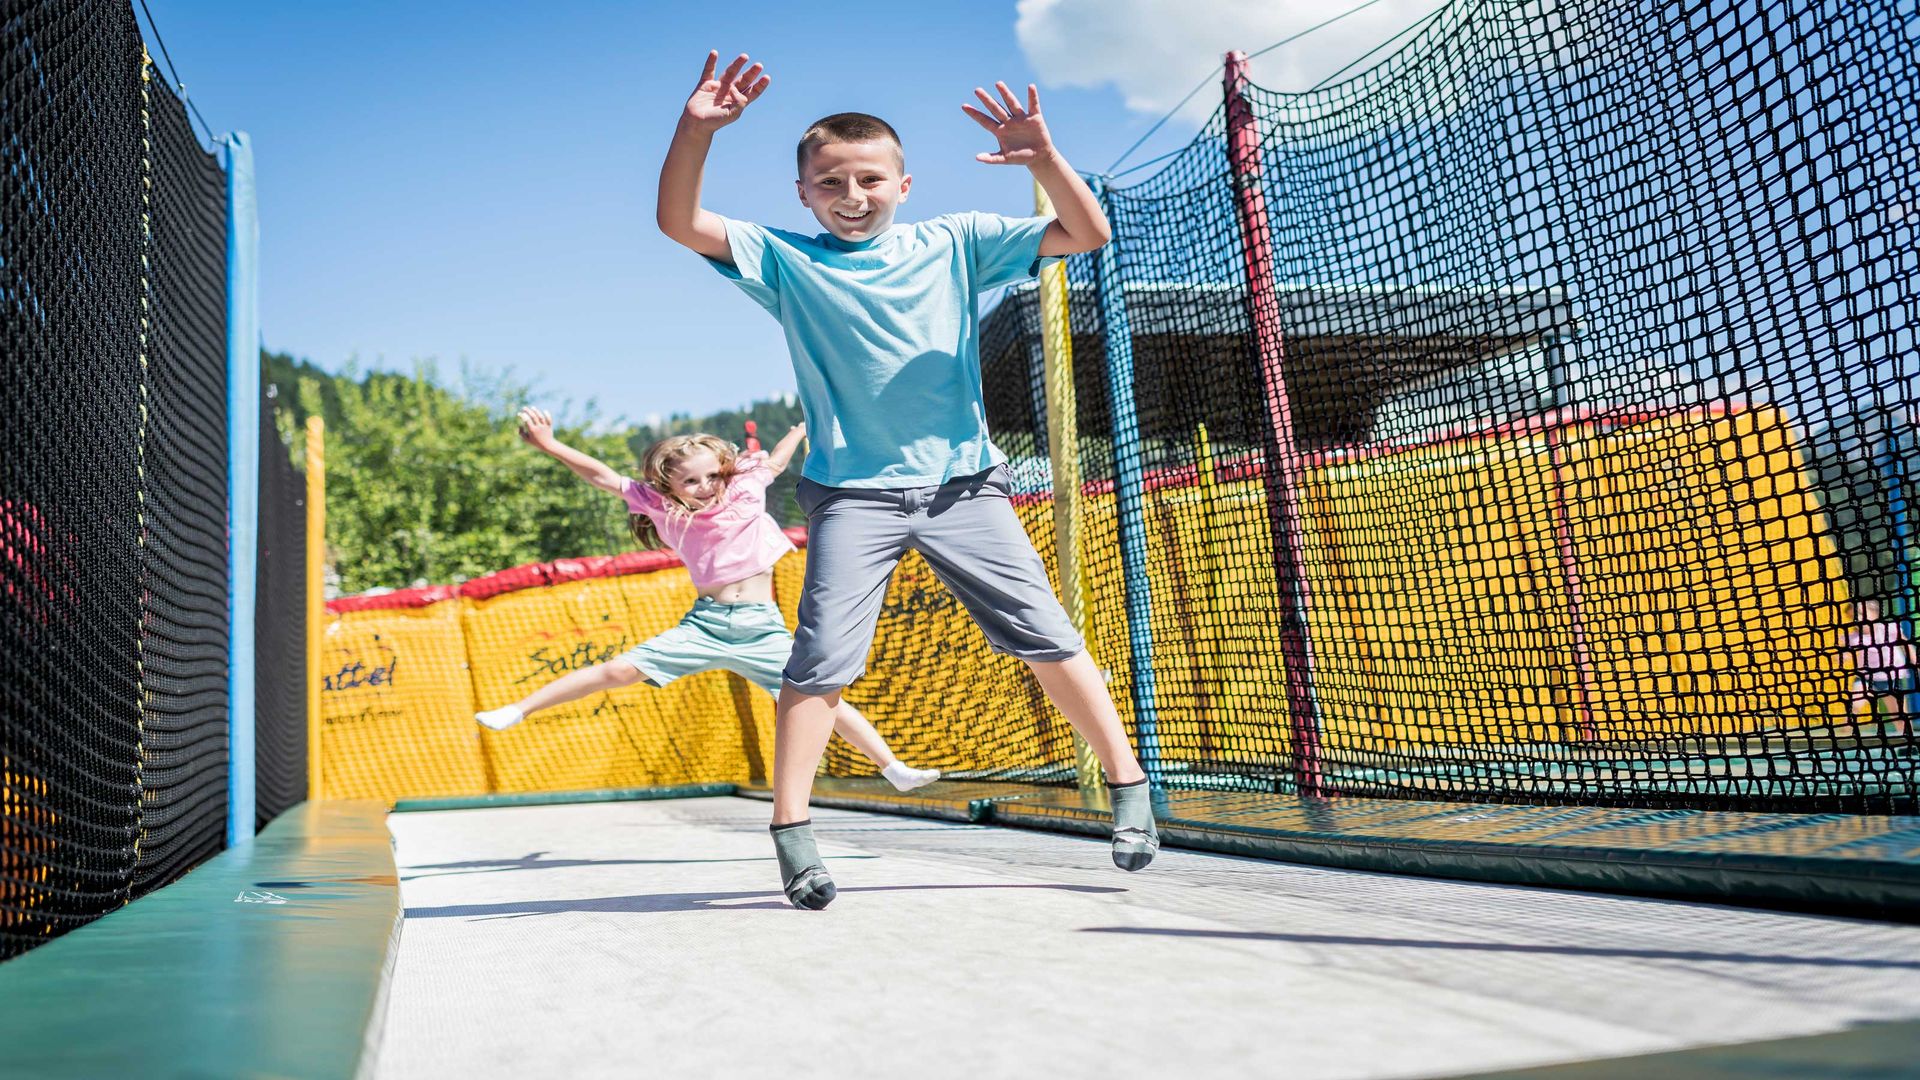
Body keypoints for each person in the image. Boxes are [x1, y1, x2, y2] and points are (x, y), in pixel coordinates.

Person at [656, 51, 1158, 910]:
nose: (853, 196)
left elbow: (1086, 234)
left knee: (1046, 634)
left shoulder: (956, 242)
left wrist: (1040, 156)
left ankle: (1130, 787)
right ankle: (791, 827)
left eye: (869, 180)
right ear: (804, 195)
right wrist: (696, 129)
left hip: (964, 485)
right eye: (831, 184)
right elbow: (679, 221)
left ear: (903, 183)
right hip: (853, 494)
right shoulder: (786, 259)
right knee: (820, 659)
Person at [474, 407, 941, 794]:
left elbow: (776, 462)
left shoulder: (743, 486)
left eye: (711, 476)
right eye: (691, 481)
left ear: (725, 470)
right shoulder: (663, 509)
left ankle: (891, 767)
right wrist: (549, 444)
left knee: (819, 698)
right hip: (707, 625)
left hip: (761, 628)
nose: (705, 487)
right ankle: (520, 709)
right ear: (671, 487)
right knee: (617, 671)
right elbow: (601, 477)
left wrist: (801, 429)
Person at [1845, 598, 1917, 731]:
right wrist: (1842, 657)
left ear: (1875, 614)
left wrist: (1915, 662)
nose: (1857, 619)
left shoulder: (1887, 629)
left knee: (1899, 715)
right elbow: (1845, 654)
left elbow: (1904, 643)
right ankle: (1842, 742)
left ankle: (1909, 743)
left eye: (1861, 614)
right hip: (1866, 678)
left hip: (1891, 677)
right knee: (1852, 709)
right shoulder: (1853, 637)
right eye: (1853, 616)